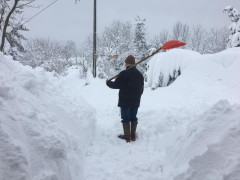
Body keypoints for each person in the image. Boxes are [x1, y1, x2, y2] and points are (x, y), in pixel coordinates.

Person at [106, 55, 144, 143]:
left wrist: (108, 83)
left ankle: (127, 137)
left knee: (125, 118)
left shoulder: (124, 73)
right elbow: (141, 89)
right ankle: (133, 136)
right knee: (133, 117)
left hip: (125, 102)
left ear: (126, 63)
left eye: (125, 63)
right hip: (135, 101)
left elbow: (116, 85)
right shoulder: (139, 75)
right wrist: (137, 97)